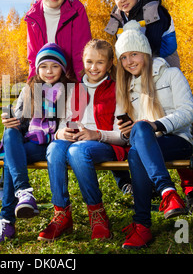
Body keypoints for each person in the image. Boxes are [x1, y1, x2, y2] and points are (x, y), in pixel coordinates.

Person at [113, 20, 193, 249]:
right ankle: (166, 196)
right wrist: (127, 132)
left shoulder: (171, 74)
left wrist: (156, 126)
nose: (128, 62)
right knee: (135, 152)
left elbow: (188, 112)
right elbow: (127, 132)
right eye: (123, 57)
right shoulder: (128, 88)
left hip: (177, 140)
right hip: (147, 146)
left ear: (144, 52)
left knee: (142, 132)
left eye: (133, 54)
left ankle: (145, 220)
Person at [37, 39, 128, 242]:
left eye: (100, 62)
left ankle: (97, 215)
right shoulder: (74, 90)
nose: (93, 68)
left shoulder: (118, 89)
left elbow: (123, 136)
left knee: (78, 151)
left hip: (106, 145)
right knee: (55, 148)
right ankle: (61, 214)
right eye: (89, 62)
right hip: (75, 141)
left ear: (110, 64)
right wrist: (61, 133)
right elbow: (62, 123)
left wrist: (97, 135)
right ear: (83, 62)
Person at [0, 43, 72, 243]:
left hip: (50, 146)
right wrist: (10, 120)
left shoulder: (69, 91)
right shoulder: (29, 89)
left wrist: (55, 134)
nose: (49, 71)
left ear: (63, 69)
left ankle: (7, 220)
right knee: (10, 133)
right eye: (44, 66)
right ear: (37, 68)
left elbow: (68, 126)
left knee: (11, 159)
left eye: (55, 66)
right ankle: (24, 193)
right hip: (27, 143)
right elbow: (20, 122)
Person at [25, 0, 92, 81]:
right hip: (45, 79)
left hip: (70, 78)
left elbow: (81, 55)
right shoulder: (33, 16)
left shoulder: (77, 11)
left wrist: (82, 87)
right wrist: (32, 86)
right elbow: (33, 57)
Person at [105, 0, 180, 68]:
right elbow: (120, 47)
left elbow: (153, 45)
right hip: (135, 61)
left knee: (167, 77)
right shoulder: (118, 19)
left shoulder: (153, 10)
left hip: (164, 56)